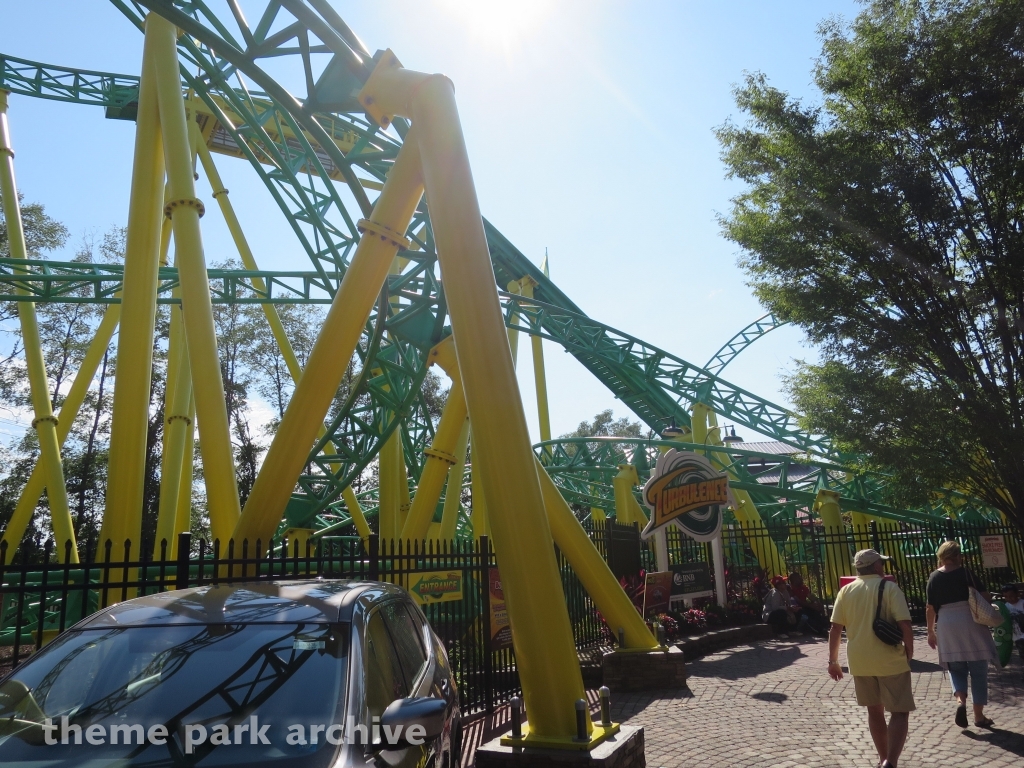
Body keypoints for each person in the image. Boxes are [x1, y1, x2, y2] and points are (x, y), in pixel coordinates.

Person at [829, 549, 914, 768]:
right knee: (899, 711)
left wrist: (833, 661)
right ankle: (891, 762)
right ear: (876, 566)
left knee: (874, 711)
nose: (883, 567)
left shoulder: (846, 590)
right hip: (889, 659)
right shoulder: (890, 588)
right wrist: (909, 651)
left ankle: (882, 757)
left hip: (860, 660)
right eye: (881, 564)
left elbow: (836, 628)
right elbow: (904, 623)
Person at [925, 540, 997, 729]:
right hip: (970, 619)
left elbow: (930, 608)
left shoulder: (933, 577)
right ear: (957, 556)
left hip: (946, 623)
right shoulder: (966, 573)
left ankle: (960, 702)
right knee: (979, 670)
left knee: (955, 667)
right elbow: (986, 597)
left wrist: (930, 631)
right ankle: (979, 716)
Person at [788, 571, 829, 636]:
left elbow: (811, 596)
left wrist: (817, 602)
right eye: (797, 578)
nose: (799, 579)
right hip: (797, 608)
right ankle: (819, 630)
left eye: (799, 578)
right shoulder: (790, 589)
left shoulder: (803, 588)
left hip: (806, 606)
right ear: (792, 580)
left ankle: (824, 627)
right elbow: (798, 601)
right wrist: (811, 605)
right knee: (806, 616)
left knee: (816, 612)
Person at [999, 583, 1024, 665]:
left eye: (1011, 596)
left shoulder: (1022, 603)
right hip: (1017, 637)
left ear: (1017, 594)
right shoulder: (1006, 607)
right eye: (1006, 596)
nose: (1009, 598)